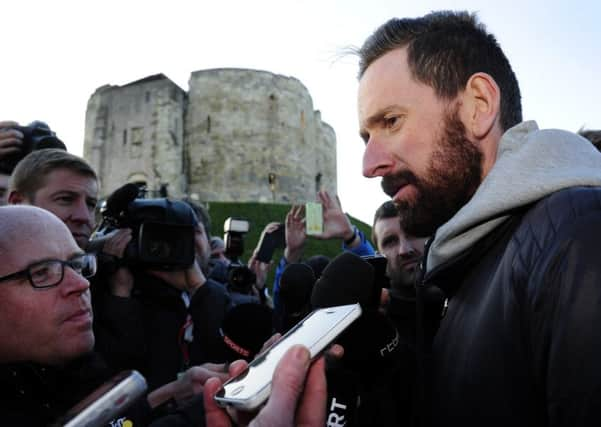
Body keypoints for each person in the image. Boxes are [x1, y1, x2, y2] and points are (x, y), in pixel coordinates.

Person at [358, 10, 601, 425]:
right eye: (367, 137)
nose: (369, 164)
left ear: (479, 106)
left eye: (392, 121)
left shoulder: (575, 238)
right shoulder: (465, 265)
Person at [0, 205, 231, 426]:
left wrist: (170, 395)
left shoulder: (72, 376)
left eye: (77, 265)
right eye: (41, 273)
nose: (81, 284)